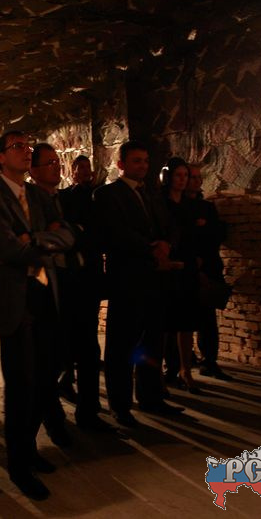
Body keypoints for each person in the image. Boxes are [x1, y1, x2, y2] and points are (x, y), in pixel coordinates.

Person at [0, 131, 74, 500]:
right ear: (0, 157)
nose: (26, 151)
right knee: (20, 386)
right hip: (14, 301)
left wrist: (31, 239)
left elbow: (68, 236)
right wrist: (44, 239)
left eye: (28, 146)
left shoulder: (38, 195)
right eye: (18, 146)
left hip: (45, 294)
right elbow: (5, 249)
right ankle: (18, 467)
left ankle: (29, 449)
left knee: (45, 380)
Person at [93, 141, 184, 428]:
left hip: (155, 280)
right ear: (121, 164)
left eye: (145, 160)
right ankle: (120, 406)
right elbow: (115, 232)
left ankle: (151, 396)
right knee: (122, 346)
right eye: (136, 161)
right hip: (127, 281)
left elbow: (171, 225)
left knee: (152, 342)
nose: (142, 166)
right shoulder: (107, 195)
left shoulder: (152, 194)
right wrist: (150, 248)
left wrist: (167, 244)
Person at [56, 154, 107, 424]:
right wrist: (81, 232)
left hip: (92, 270)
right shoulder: (65, 197)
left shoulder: (98, 196)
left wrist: (84, 232)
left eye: (89, 167)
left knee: (87, 330)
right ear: (73, 171)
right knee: (72, 331)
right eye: (81, 167)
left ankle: (77, 386)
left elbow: (100, 232)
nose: (86, 171)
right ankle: (67, 377)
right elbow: (69, 232)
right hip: (72, 273)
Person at [185, 164, 232, 380]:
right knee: (185, 316)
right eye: (191, 177)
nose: (196, 181)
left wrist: (205, 228)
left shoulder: (206, 207)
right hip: (187, 267)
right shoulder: (176, 205)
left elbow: (218, 234)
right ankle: (185, 359)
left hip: (209, 266)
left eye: (198, 177)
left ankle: (209, 360)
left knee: (207, 317)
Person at [159, 158, 201, 394]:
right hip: (168, 267)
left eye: (186, 175)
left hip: (188, 267)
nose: (183, 179)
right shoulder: (159, 203)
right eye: (178, 175)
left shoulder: (190, 204)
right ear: (168, 177)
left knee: (186, 321)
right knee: (165, 323)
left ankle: (186, 370)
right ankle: (160, 370)